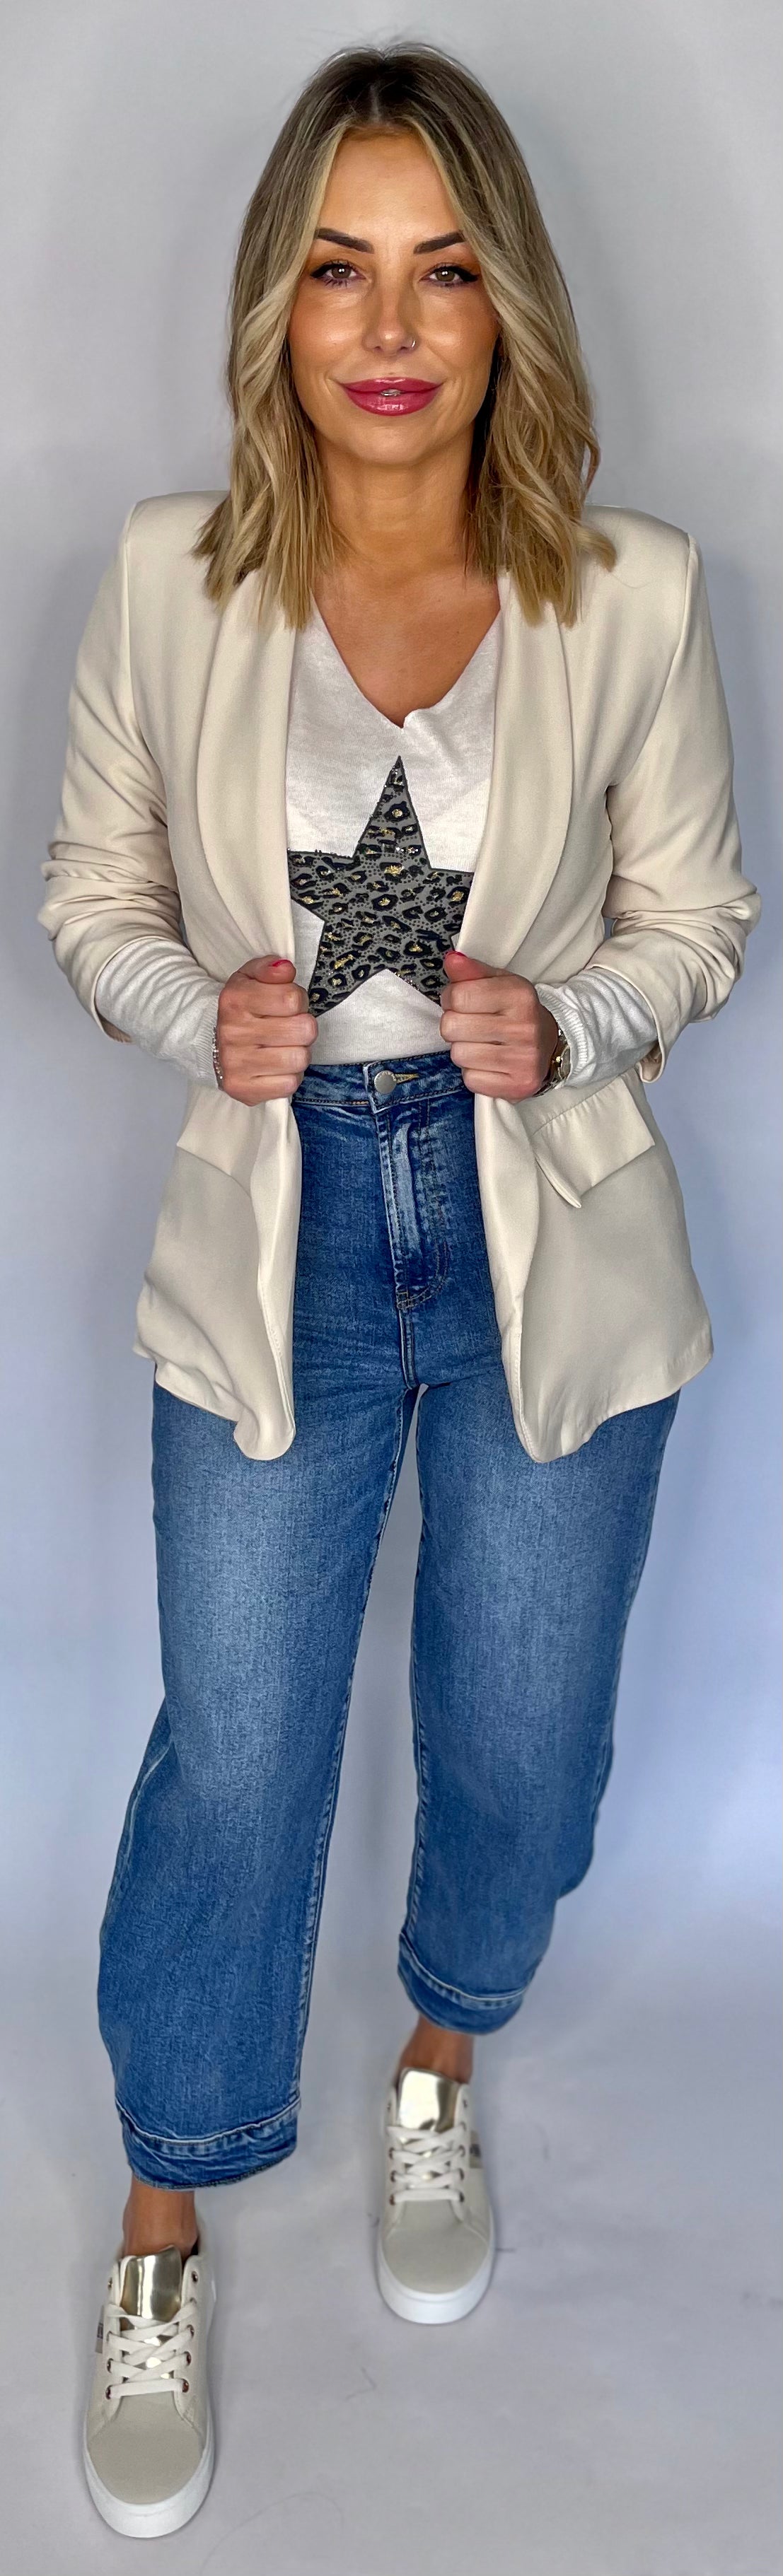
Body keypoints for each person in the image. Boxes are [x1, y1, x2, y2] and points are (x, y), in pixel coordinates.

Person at [40, 39, 760, 2541]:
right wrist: (193, 1017)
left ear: (503, 307)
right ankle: (167, 2199)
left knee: (525, 1739)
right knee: (236, 1749)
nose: (386, 324)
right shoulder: (170, 578)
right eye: (338, 266)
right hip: (282, 1242)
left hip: (542, 1223)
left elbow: (698, 917)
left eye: (441, 269)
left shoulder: (630, 594)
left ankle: (440, 2057)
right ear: (277, 300)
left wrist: (577, 1019)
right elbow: (93, 895)